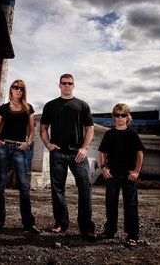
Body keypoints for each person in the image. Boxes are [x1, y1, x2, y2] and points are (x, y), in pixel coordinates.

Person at [40, 73, 96, 242]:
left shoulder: (82, 105)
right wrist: (48, 144)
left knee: (85, 187)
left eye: (69, 83)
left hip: (77, 153)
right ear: (59, 85)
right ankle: (61, 223)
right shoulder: (50, 105)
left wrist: (85, 148)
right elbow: (43, 128)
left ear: (74, 85)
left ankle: (86, 227)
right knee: (57, 189)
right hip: (57, 152)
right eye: (64, 83)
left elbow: (90, 129)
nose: (66, 85)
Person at [0, 79, 40, 233]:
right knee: (1, 184)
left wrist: (28, 142)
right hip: (4, 147)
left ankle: (28, 223)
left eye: (21, 88)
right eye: (15, 87)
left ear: (23, 91)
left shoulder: (28, 108)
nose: (18, 90)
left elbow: (32, 130)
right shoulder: (3, 108)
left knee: (24, 185)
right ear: (11, 90)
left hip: (20, 148)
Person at [98, 103, 144, 247]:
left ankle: (132, 235)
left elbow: (140, 153)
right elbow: (103, 152)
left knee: (130, 205)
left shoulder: (132, 134)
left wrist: (136, 171)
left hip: (128, 175)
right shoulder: (109, 134)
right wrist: (104, 168)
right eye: (117, 115)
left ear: (127, 117)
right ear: (114, 117)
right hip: (112, 174)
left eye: (123, 115)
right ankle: (110, 231)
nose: (120, 118)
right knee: (111, 204)